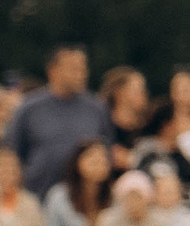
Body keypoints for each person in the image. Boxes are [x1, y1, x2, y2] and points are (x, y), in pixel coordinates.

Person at [5, 45, 113, 197]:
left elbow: (107, 150)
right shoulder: (29, 109)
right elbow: (12, 154)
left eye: (83, 68)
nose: (81, 74)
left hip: (83, 204)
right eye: (74, 68)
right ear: (52, 70)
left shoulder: (96, 109)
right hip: (38, 197)